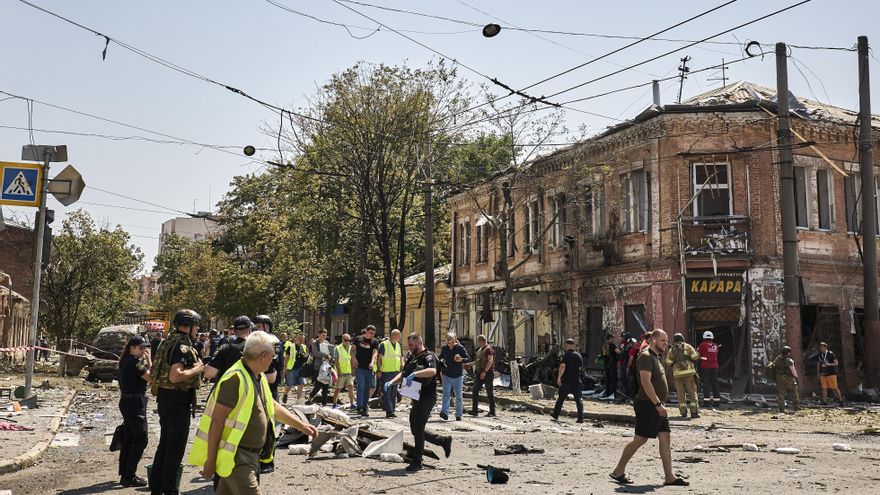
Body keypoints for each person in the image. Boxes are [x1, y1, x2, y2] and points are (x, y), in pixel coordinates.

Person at [189, 331, 317, 495]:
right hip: (237, 458)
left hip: (250, 457)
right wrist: (211, 460)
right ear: (264, 356)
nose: (273, 360)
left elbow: (271, 405)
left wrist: (301, 425)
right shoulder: (235, 378)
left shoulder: (257, 376)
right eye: (272, 356)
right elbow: (217, 421)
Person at [610, 329, 689, 486]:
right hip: (648, 404)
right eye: (663, 341)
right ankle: (618, 471)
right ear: (654, 340)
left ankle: (669, 477)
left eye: (666, 341)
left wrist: (660, 403)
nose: (666, 344)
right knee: (640, 439)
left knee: (665, 437)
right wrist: (657, 403)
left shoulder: (655, 357)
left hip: (656, 404)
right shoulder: (646, 356)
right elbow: (645, 382)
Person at [149, 309, 205, 495]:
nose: (197, 329)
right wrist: (197, 369)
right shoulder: (182, 346)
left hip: (167, 400)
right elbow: (175, 376)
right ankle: (169, 488)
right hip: (176, 401)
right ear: (187, 326)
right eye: (196, 325)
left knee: (165, 444)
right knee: (175, 447)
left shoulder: (168, 341)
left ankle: (157, 487)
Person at [384, 333, 452, 472]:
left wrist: (415, 374)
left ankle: (417, 461)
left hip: (427, 397)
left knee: (419, 428)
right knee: (415, 428)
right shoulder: (412, 357)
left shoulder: (428, 356)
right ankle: (442, 441)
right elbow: (403, 374)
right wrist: (392, 382)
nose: (409, 348)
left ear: (419, 341)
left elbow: (432, 371)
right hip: (415, 396)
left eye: (411, 345)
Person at [117, 336, 151, 487]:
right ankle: (129, 476)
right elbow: (151, 378)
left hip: (128, 402)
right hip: (134, 404)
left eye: (145, 348)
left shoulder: (127, 360)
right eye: (141, 348)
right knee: (141, 440)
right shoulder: (134, 363)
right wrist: (150, 362)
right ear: (132, 348)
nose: (144, 350)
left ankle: (125, 473)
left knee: (129, 440)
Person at [204, 317, 253, 382]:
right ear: (250, 329)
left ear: (234, 331)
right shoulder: (258, 348)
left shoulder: (225, 348)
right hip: (252, 388)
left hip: (228, 389)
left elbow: (209, 373)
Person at [664, 333, 700, 419]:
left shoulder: (672, 350)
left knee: (680, 394)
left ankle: (683, 412)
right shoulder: (688, 347)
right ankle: (694, 412)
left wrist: (675, 363)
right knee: (692, 393)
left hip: (677, 374)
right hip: (689, 373)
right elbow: (695, 357)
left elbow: (668, 362)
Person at [551, 338, 584, 423]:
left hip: (566, 381)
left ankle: (555, 415)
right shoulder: (578, 355)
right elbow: (580, 368)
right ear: (573, 345)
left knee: (561, 399)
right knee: (578, 400)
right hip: (576, 381)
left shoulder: (566, 355)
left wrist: (559, 378)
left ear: (567, 345)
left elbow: (562, 366)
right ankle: (580, 418)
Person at [438, 332, 469, 421]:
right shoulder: (444, 348)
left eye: (451, 343)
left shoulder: (460, 348)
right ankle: (444, 412)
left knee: (458, 396)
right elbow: (440, 358)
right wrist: (441, 362)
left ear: (455, 340)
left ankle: (458, 414)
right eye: (448, 343)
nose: (450, 345)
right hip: (446, 375)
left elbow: (468, 358)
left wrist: (461, 359)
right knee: (446, 395)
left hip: (458, 376)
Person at [352, 325, 379, 417]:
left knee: (367, 388)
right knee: (361, 386)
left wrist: (372, 362)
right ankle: (359, 406)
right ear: (366, 332)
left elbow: (375, 353)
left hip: (369, 369)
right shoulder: (358, 339)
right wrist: (354, 359)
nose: (372, 335)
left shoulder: (374, 341)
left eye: (373, 334)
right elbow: (351, 351)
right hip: (360, 367)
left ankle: (364, 407)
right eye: (370, 333)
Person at [377, 329, 404, 418]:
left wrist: (402, 369)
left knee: (393, 393)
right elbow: (379, 358)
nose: (399, 337)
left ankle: (392, 410)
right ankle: (389, 411)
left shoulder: (398, 346)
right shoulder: (384, 344)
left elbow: (400, 358)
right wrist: (379, 370)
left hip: (396, 372)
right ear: (393, 335)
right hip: (387, 372)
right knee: (387, 393)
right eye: (398, 335)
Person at [469, 335, 496, 417]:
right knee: (475, 390)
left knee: (489, 392)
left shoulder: (489, 350)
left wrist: (484, 372)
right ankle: (474, 410)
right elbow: (478, 361)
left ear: (482, 341)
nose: (478, 343)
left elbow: (490, 361)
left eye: (478, 341)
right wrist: (470, 364)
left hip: (487, 373)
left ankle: (492, 411)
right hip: (479, 372)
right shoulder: (481, 349)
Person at [768, 345, 800, 413]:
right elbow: (793, 370)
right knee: (794, 392)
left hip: (779, 377)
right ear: (788, 353)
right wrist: (796, 378)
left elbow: (774, 366)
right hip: (788, 378)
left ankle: (781, 410)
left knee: (781, 394)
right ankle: (796, 408)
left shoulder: (777, 359)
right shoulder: (789, 360)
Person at [306, 329, 332, 405]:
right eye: (323, 335)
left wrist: (330, 356)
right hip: (318, 367)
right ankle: (310, 398)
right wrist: (325, 355)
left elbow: (329, 352)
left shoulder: (327, 343)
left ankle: (324, 404)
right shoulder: (315, 342)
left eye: (325, 335)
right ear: (319, 335)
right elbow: (315, 353)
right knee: (318, 385)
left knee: (326, 386)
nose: (324, 337)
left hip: (326, 367)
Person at [696, 331, 721, 408]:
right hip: (715, 367)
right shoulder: (715, 346)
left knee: (706, 384)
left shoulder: (702, 345)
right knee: (715, 384)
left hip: (705, 367)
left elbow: (697, 354)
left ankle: (706, 402)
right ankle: (717, 402)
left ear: (704, 337)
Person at [283, 333, 309, 404]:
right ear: (296, 339)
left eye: (302, 339)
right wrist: (285, 367)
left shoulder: (304, 347)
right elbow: (287, 357)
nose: (301, 340)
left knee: (301, 384)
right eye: (299, 339)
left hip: (301, 369)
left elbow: (306, 356)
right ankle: (285, 394)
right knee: (290, 385)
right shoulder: (291, 347)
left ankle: (298, 401)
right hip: (292, 369)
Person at [332, 333, 356, 409]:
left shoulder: (351, 348)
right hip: (341, 372)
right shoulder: (337, 348)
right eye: (346, 340)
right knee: (338, 388)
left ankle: (352, 404)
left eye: (349, 340)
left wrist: (353, 370)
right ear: (342, 340)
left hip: (348, 371)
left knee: (351, 387)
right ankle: (334, 403)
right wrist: (339, 371)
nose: (348, 342)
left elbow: (352, 360)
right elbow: (336, 361)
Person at [602, 333, 620, 399]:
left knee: (608, 379)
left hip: (606, 364)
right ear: (610, 338)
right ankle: (612, 394)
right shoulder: (612, 345)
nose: (614, 339)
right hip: (612, 364)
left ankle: (607, 393)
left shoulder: (604, 345)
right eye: (613, 338)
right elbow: (618, 352)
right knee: (613, 380)